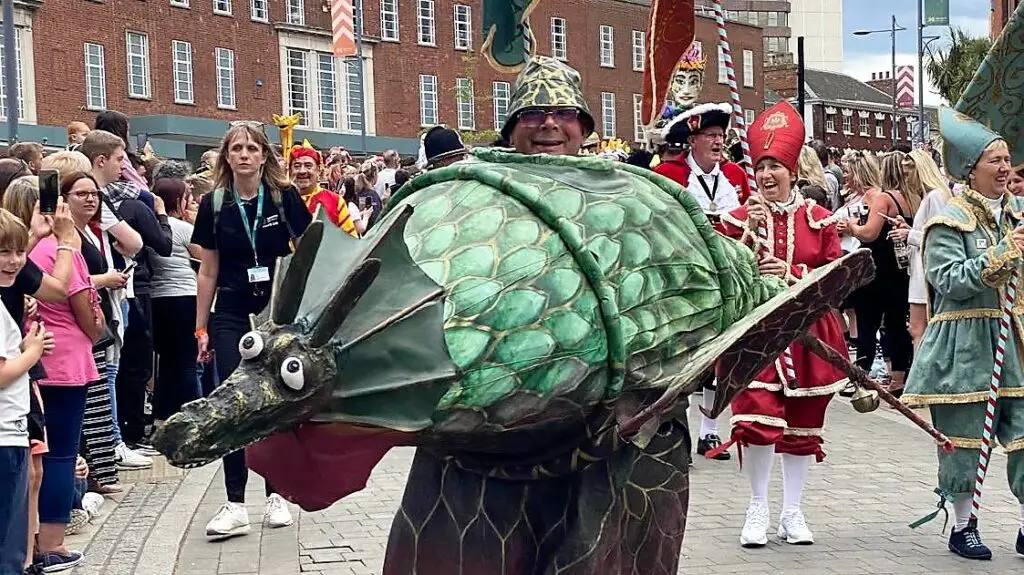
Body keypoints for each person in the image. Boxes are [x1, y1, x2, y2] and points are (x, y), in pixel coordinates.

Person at [715, 100, 848, 548]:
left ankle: (793, 510)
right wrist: (746, 238)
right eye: (761, 166)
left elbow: (836, 282)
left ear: (793, 169)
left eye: (776, 166)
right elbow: (721, 278)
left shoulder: (820, 220)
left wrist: (792, 276)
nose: (768, 175)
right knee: (756, 420)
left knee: (803, 425)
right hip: (757, 335)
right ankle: (758, 506)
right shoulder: (735, 221)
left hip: (811, 336)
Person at [903, 108, 1024, 560]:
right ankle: (962, 524)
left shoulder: (1016, 216)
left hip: (1015, 342)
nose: (1004, 167)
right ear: (970, 169)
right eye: (994, 160)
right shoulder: (948, 221)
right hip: (965, 347)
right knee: (967, 440)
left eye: (1007, 158)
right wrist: (1000, 255)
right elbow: (949, 281)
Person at [192, 122, 311, 538]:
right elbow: (207, 270)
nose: (244, 155)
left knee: (275, 400)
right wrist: (200, 327)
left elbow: (310, 251)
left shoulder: (284, 198)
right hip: (231, 309)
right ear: (226, 157)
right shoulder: (214, 204)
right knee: (234, 398)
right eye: (236, 148)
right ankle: (234, 502)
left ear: (264, 156)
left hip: (276, 311)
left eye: (252, 148)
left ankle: (277, 494)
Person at [653, 102, 752, 460]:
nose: (717, 142)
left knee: (720, 355)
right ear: (692, 139)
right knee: (680, 355)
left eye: (721, 136)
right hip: (681, 276)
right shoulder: (668, 173)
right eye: (710, 135)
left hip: (726, 277)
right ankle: (674, 428)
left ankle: (710, 432)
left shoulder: (738, 177)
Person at [18, 179, 105, 571]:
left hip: (40, 356)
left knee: (41, 456)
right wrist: (97, 329)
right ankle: (52, 541)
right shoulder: (58, 248)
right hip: (64, 358)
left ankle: (35, 539)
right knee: (61, 454)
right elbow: (79, 299)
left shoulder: (30, 249)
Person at [840, 151, 918, 396]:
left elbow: (869, 233)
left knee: (867, 322)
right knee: (896, 323)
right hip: (901, 269)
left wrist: (852, 228)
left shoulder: (884, 198)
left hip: (876, 268)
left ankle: (861, 377)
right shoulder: (913, 198)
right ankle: (898, 379)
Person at [0, 208, 50, 575]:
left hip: (10, 429)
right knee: (7, 543)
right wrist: (31, 352)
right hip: (4, 433)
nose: (16, 261)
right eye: (5, 252)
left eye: (20, 251)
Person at [149, 178, 201, 429]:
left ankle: (162, 415)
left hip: (158, 299)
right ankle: (196, 418)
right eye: (186, 198)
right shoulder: (182, 228)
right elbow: (206, 257)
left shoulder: (150, 227)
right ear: (177, 202)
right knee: (187, 361)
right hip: (185, 296)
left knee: (167, 361)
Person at [889, 149, 951, 347]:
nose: (906, 180)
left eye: (908, 174)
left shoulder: (935, 197)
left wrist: (910, 235)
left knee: (918, 329)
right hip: (921, 270)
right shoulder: (931, 197)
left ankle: (921, 376)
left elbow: (942, 238)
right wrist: (909, 230)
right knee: (919, 329)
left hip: (925, 273)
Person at [286, 140, 359, 237]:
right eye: (297, 166)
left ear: (319, 170)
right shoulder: (279, 201)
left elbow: (349, 242)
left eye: (308, 166)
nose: (302, 171)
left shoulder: (335, 201)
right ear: (290, 171)